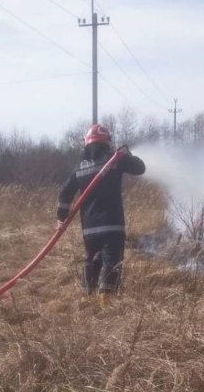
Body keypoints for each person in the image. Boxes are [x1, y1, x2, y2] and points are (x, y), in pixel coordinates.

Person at [57, 124, 146, 301]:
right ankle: (107, 299)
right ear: (107, 143)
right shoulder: (114, 161)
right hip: (112, 224)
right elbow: (140, 168)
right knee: (111, 260)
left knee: (91, 259)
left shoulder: (80, 168)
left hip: (89, 228)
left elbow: (64, 194)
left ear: (87, 145)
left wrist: (61, 217)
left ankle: (87, 296)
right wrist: (126, 155)